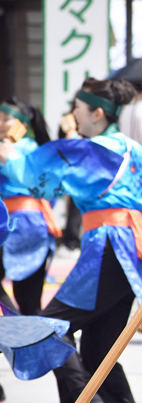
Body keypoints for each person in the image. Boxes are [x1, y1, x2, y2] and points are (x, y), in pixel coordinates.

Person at [0, 78, 142, 403]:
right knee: (98, 348)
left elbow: (42, 173)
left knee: (51, 323)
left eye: (78, 108)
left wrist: (13, 157)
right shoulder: (132, 148)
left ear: (98, 113)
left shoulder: (99, 148)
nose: (73, 114)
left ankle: (85, 398)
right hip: (128, 246)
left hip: (111, 244)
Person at [0, 97, 61, 316]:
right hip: (25, 223)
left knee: (28, 301)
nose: (0, 122)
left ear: (22, 125)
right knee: (28, 301)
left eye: (6, 118)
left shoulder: (20, 149)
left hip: (23, 224)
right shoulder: (30, 149)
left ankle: (22, 332)